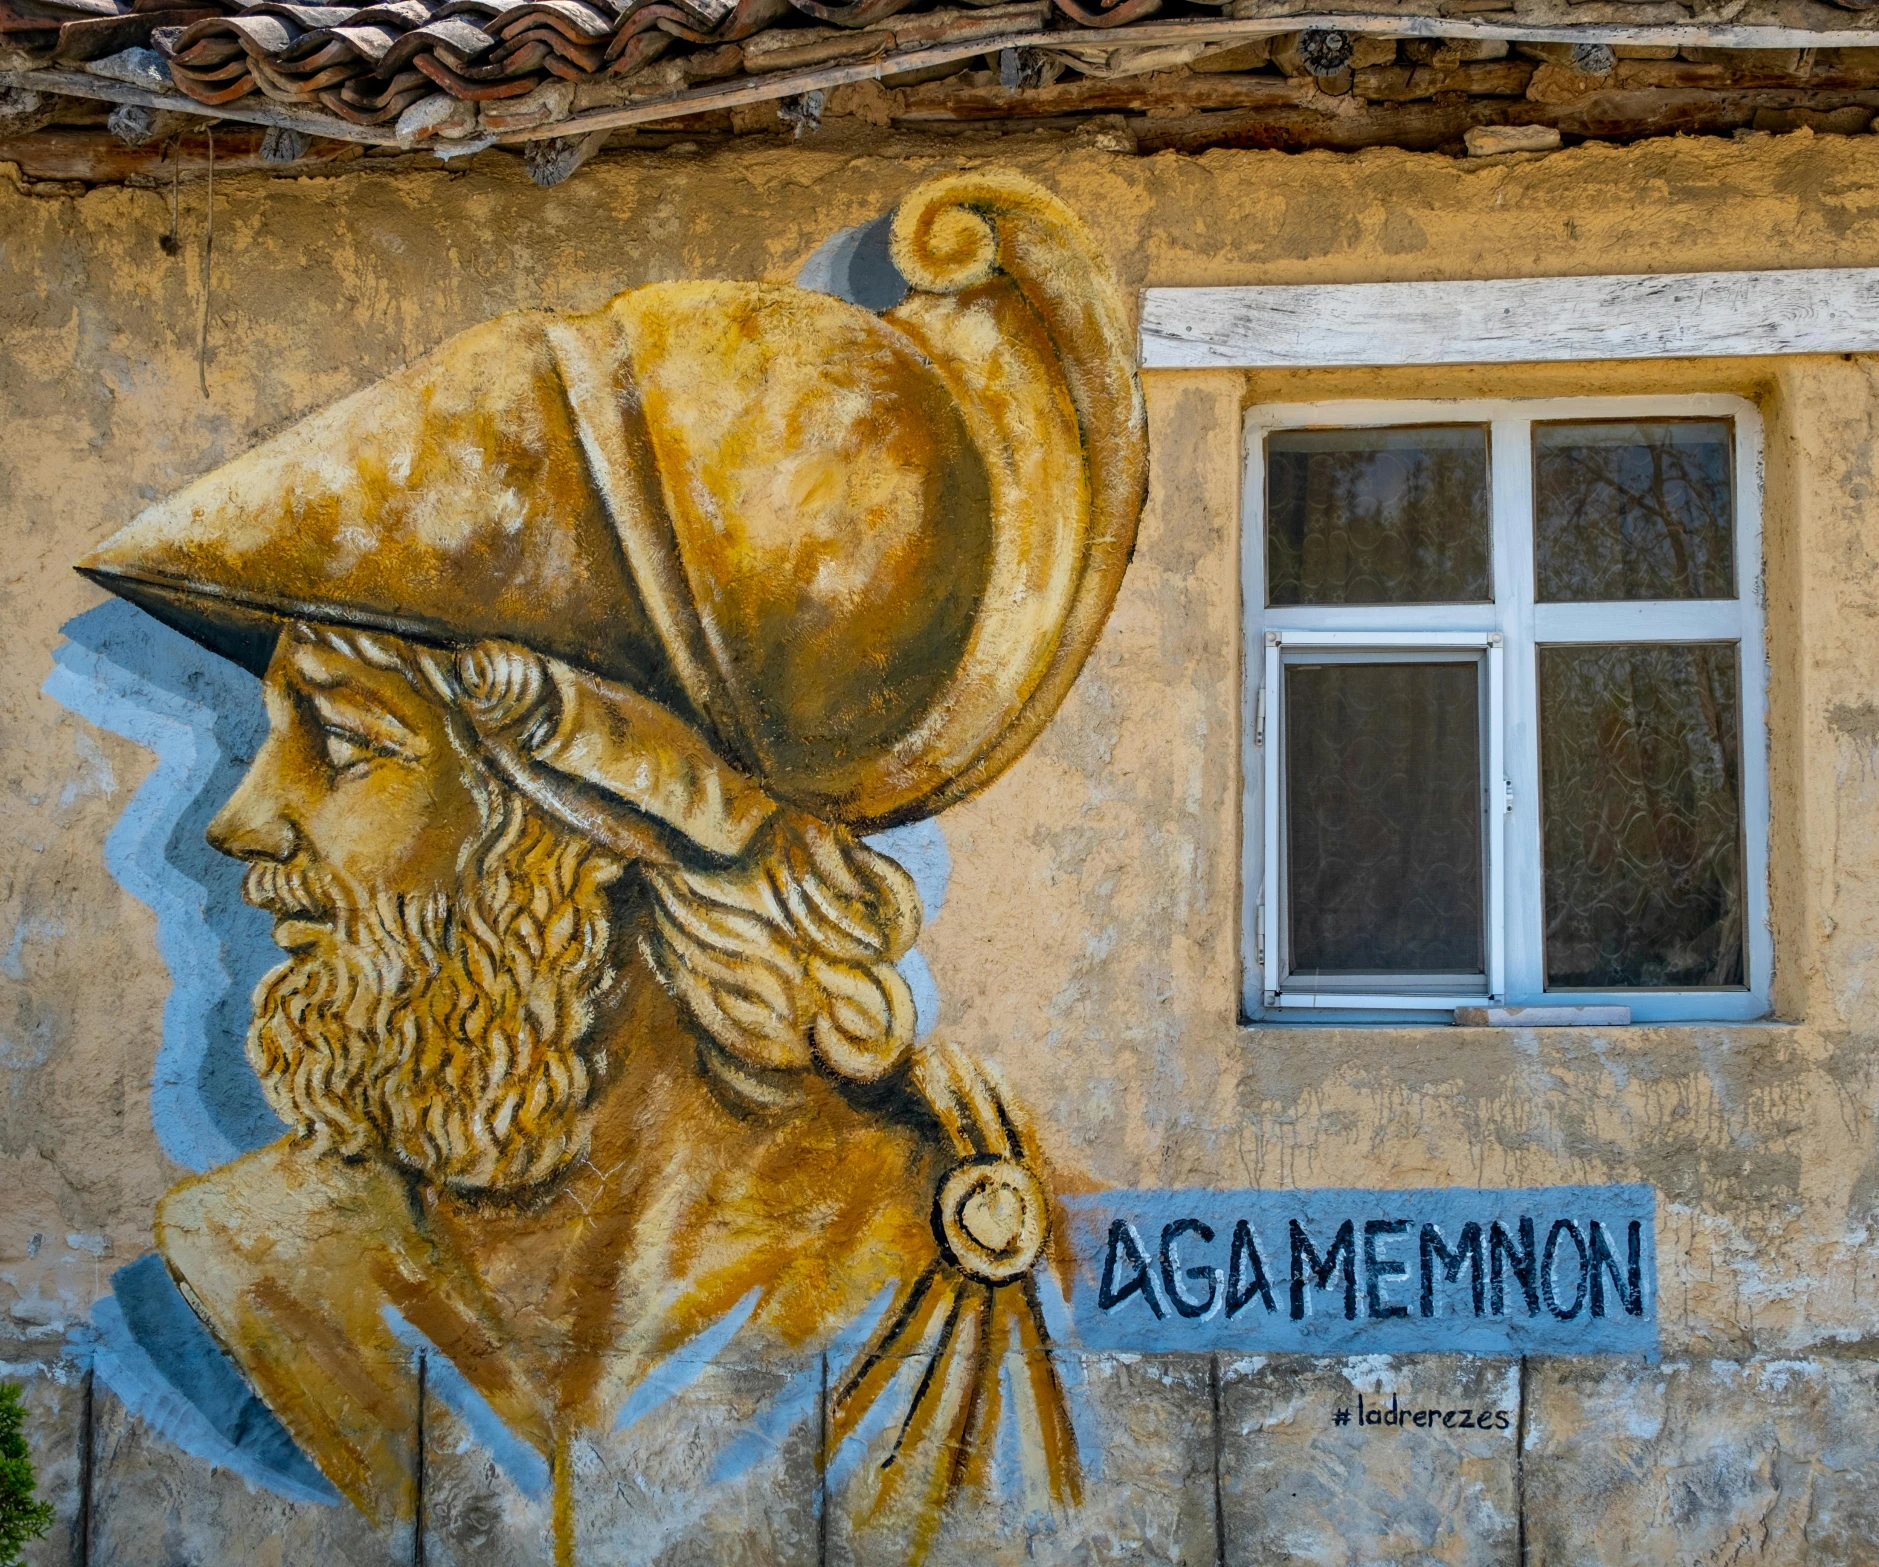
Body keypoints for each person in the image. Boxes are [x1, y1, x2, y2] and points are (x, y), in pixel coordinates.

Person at [75, 169, 1146, 1565]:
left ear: (600, 812)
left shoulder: (961, 1259)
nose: (245, 817)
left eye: (340, 738)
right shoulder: (266, 1264)